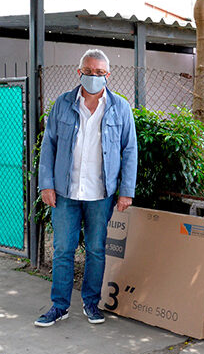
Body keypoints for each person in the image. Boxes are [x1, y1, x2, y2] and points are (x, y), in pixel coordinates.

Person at [35, 49, 137, 327]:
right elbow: (49, 146)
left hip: (101, 195)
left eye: (100, 72)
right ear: (79, 72)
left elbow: (130, 150)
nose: (94, 77)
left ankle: (91, 304)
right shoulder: (63, 104)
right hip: (66, 192)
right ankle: (59, 306)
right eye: (89, 72)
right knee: (63, 250)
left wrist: (126, 190)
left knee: (95, 250)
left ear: (108, 75)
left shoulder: (120, 107)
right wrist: (47, 184)